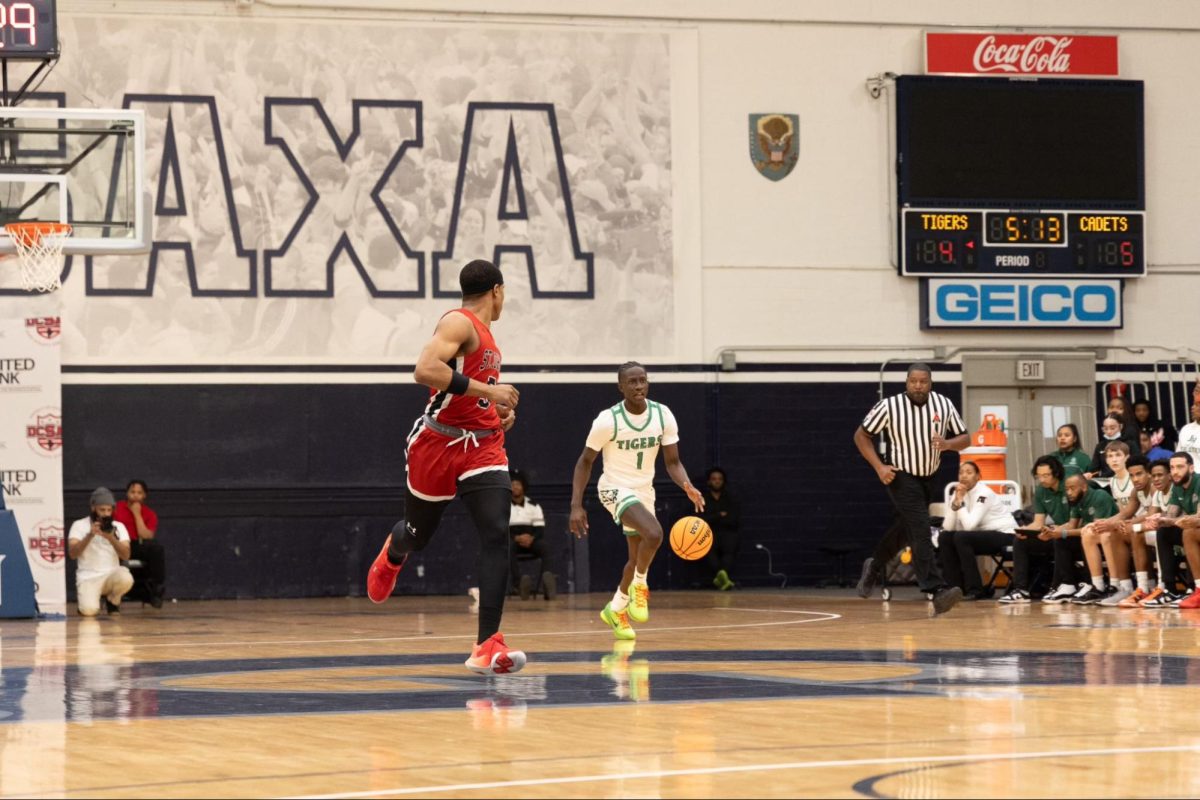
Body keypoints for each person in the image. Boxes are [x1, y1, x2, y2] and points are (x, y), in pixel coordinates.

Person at [365, 259, 527, 675]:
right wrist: (488, 389)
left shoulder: (488, 337)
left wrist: (494, 408)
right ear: (497, 291)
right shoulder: (459, 323)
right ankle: (393, 552)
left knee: (496, 532)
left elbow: (471, 392)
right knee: (417, 535)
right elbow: (425, 370)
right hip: (438, 442)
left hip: (483, 447)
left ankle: (486, 644)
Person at [568, 362, 705, 641]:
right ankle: (640, 587)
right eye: (631, 382)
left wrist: (687, 485)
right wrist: (576, 505)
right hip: (614, 488)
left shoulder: (662, 414)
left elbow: (673, 462)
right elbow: (584, 462)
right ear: (621, 387)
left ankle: (616, 608)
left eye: (642, 380)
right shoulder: (608, 420)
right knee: (654, 533)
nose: (638, 386)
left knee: (635, 559)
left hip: (644, 490)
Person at [853, 363, 968, 614]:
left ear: (930, 382)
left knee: (906, 530)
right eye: (913, 381)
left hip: (929, 476)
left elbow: (965, 438)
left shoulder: (944, 404)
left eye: (923, 381)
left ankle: (874, 565)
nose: (918, 385)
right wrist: (880, 468)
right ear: (907, 382)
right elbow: (861, 436)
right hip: (900, 476)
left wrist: (948, 444)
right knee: (920, 528)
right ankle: (936, 590)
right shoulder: (889, 406)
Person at [1000, 456, 1079, 604]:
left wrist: (1056, 530)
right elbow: (1038, 522)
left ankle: (1056, 587)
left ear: (1056, 473)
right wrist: (1024, 530)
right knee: (1020, 541)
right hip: (1055, 533)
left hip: (1072, 534)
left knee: (1057, 539)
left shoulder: (1069, 487)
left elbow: (1076, 521)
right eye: (1039, 476)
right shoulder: (1041, 491)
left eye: (1046, 475)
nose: (1042, 480)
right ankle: (1020, 590)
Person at [938, 460, 1018, 600]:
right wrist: (955, 502)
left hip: (1006, 534)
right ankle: (955, 589)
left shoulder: (984, 493)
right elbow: (948, 527)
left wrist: (960, 501)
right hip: (984, 535)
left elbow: (970, 526)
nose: (964, 476)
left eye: (969, 473)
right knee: (945, 537)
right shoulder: (959, 492)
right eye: (961, 472)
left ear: (978, 477)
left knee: (962, 537)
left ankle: (975, 589)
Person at [1080, 444, 1140, 606]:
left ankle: (1116, 585)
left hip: (1138, 524)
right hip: (1124, 522)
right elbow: (1122, 511)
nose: (1114, 460)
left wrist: (1111, 523)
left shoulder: (1134, 477)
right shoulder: (1112, 481)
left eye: (1118, 455)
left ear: (1126, 457)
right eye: (1110, 456)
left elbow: (1132, 511)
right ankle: (1098, 586)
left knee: (1107, 535)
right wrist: (1103, 522)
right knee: (1088, 533)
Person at [1142, 451, 1200, 608]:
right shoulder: (1177, 487)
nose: (1175, 471)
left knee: (1188, 531)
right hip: (1194, 529)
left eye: (1180, 467)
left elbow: (1198, 518)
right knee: (1164, 532)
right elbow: (1172, 515)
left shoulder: (1199, 482)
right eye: (1172, 467)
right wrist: (1159, 520)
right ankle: (1170, 589)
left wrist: (1174, 520)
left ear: (1191, 468)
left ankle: (1193, 588)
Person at [67, 487, 134, 617]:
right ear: (93, 508)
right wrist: (89, 535)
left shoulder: (119, 527)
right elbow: (72, 554)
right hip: (88, 576)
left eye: (109, 510)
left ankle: (112, 600)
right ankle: (89, 602)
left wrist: (111, 537)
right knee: (88, 611)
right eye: (102, 510)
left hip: (111, 574)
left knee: (126, 578)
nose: (106, 514)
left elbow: (126, 555)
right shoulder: (79, 525)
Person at [1065, 472, 1120, 604]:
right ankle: (1097, 586)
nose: (1069, 492)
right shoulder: (1077, 501)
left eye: (1072, 488)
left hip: (1115, 533)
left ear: (1084, 487)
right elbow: (1071, 526)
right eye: (1067, 489)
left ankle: (1115, 585)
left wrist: (1063, 533)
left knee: (1091, 533)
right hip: (1097, 535)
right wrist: (1053, 531)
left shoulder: (1099, 496)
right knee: (1067, 540)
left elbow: (1098, 526)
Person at [112, 479, 165, 608]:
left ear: (144, 495)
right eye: (132, 492)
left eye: (139, 493)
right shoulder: (116, 508)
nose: (135, 495)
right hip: (118, 545)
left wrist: (137, 514)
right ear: (127, 493)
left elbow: (146, 535)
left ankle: (156, 590)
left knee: (156, 548)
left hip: (137, 544)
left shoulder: (149, 514)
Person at [508, 470, 555, 601]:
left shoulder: (534, 506)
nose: (515, 487)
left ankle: (547, 586)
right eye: (512, 484)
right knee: (507, 548)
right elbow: (502, 529)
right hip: (513, 540)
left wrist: (531, 538)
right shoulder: (503, 507)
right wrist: (516, 538)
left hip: (531, 540)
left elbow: (540, 529)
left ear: (523, 487)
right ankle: (519, 586)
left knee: (544, 547)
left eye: (518, 484)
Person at [699, 467, 740, 591]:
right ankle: (722, 577)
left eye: (720, 479)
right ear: (709, 481)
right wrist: (719, 515)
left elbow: (733, 519)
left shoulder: (730, 498)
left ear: (723, 481)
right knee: (707, 548)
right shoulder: (702, 499)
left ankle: (721, 577)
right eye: (714, 479)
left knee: (730, 543)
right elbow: (701, 519)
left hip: (727, 532)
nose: (717, 482)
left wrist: (713, 517)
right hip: (709, 533)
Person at [1083, 415, 1127, 480]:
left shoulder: (1129, 444)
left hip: (1124, 478)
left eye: (1112, 428)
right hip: (1104, 480)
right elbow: (1094, 468)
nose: (1109, 432)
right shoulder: (1100, 446)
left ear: (1120, 427)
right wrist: (1089, 474)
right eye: (1105, 429)